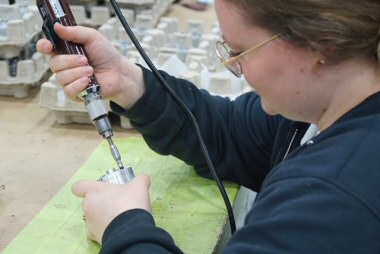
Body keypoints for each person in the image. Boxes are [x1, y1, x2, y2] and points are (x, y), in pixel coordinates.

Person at [37, 0, 380, 252]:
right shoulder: (318, 112)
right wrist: (130, 83)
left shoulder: (336, 199)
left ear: (322, 44)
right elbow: (231, 133)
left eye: (240, 51)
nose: (235, 65)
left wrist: (125, 227)